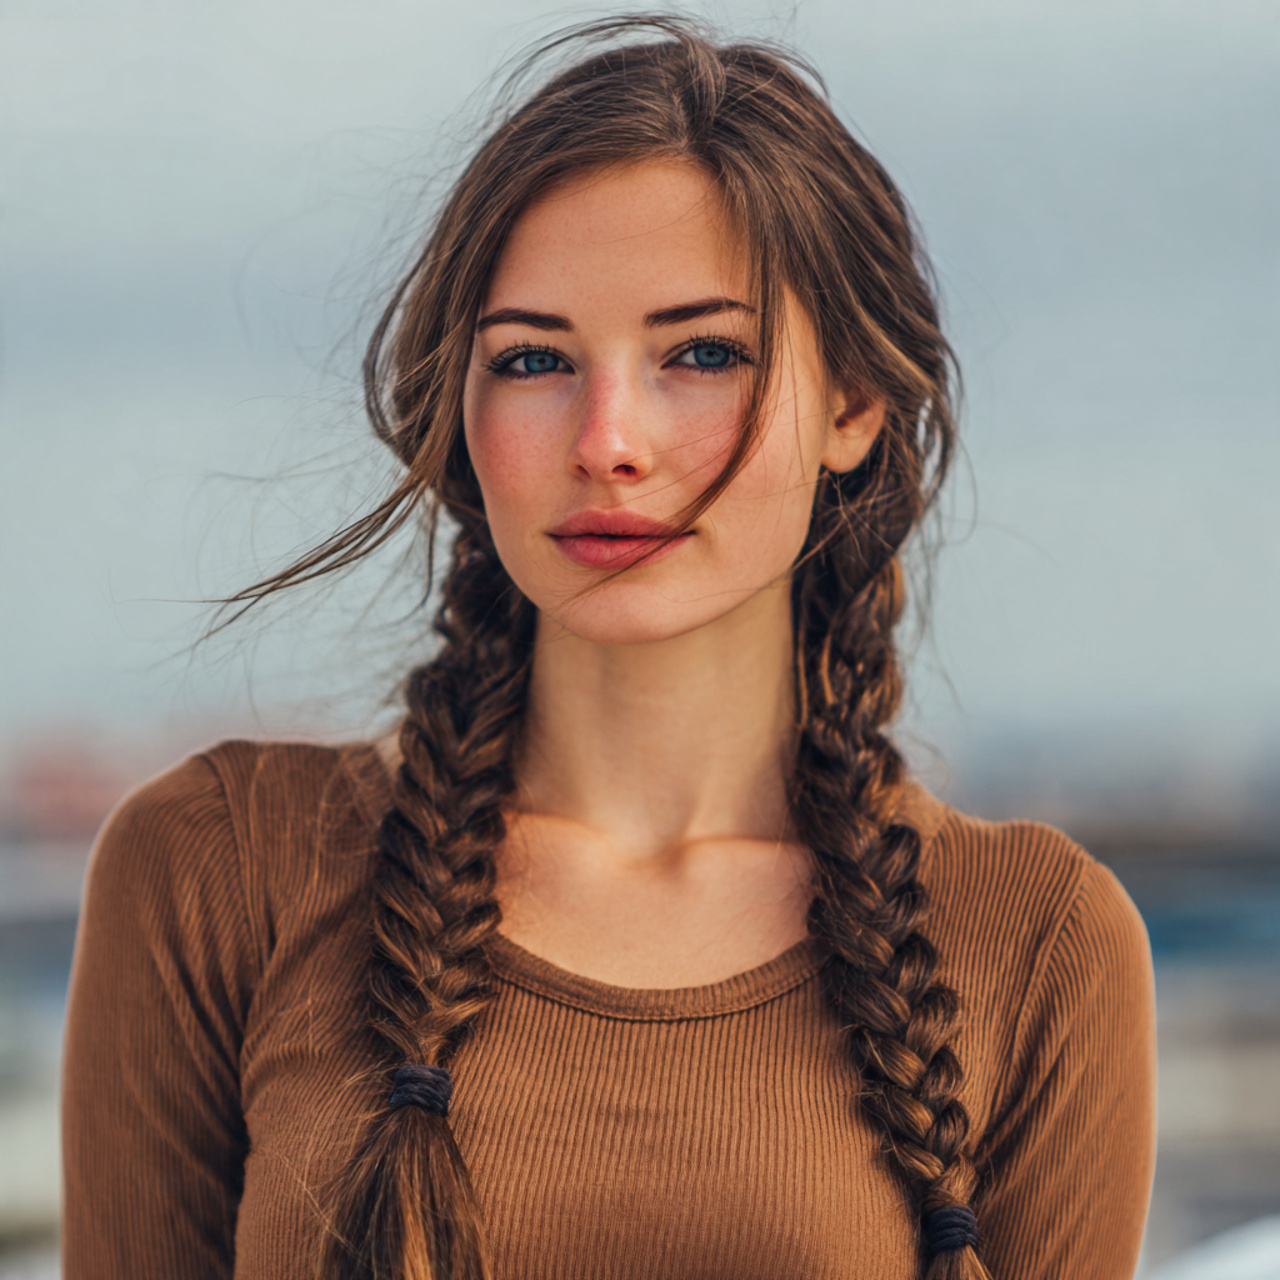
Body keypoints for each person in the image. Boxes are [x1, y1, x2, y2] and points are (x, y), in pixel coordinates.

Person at [61, 16, 1156, 1280]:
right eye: (532, 358)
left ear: (851, 402)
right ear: (458, 409)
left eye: (700, 353)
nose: (606, 439)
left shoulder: (1040, 941)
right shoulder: (216, 869)